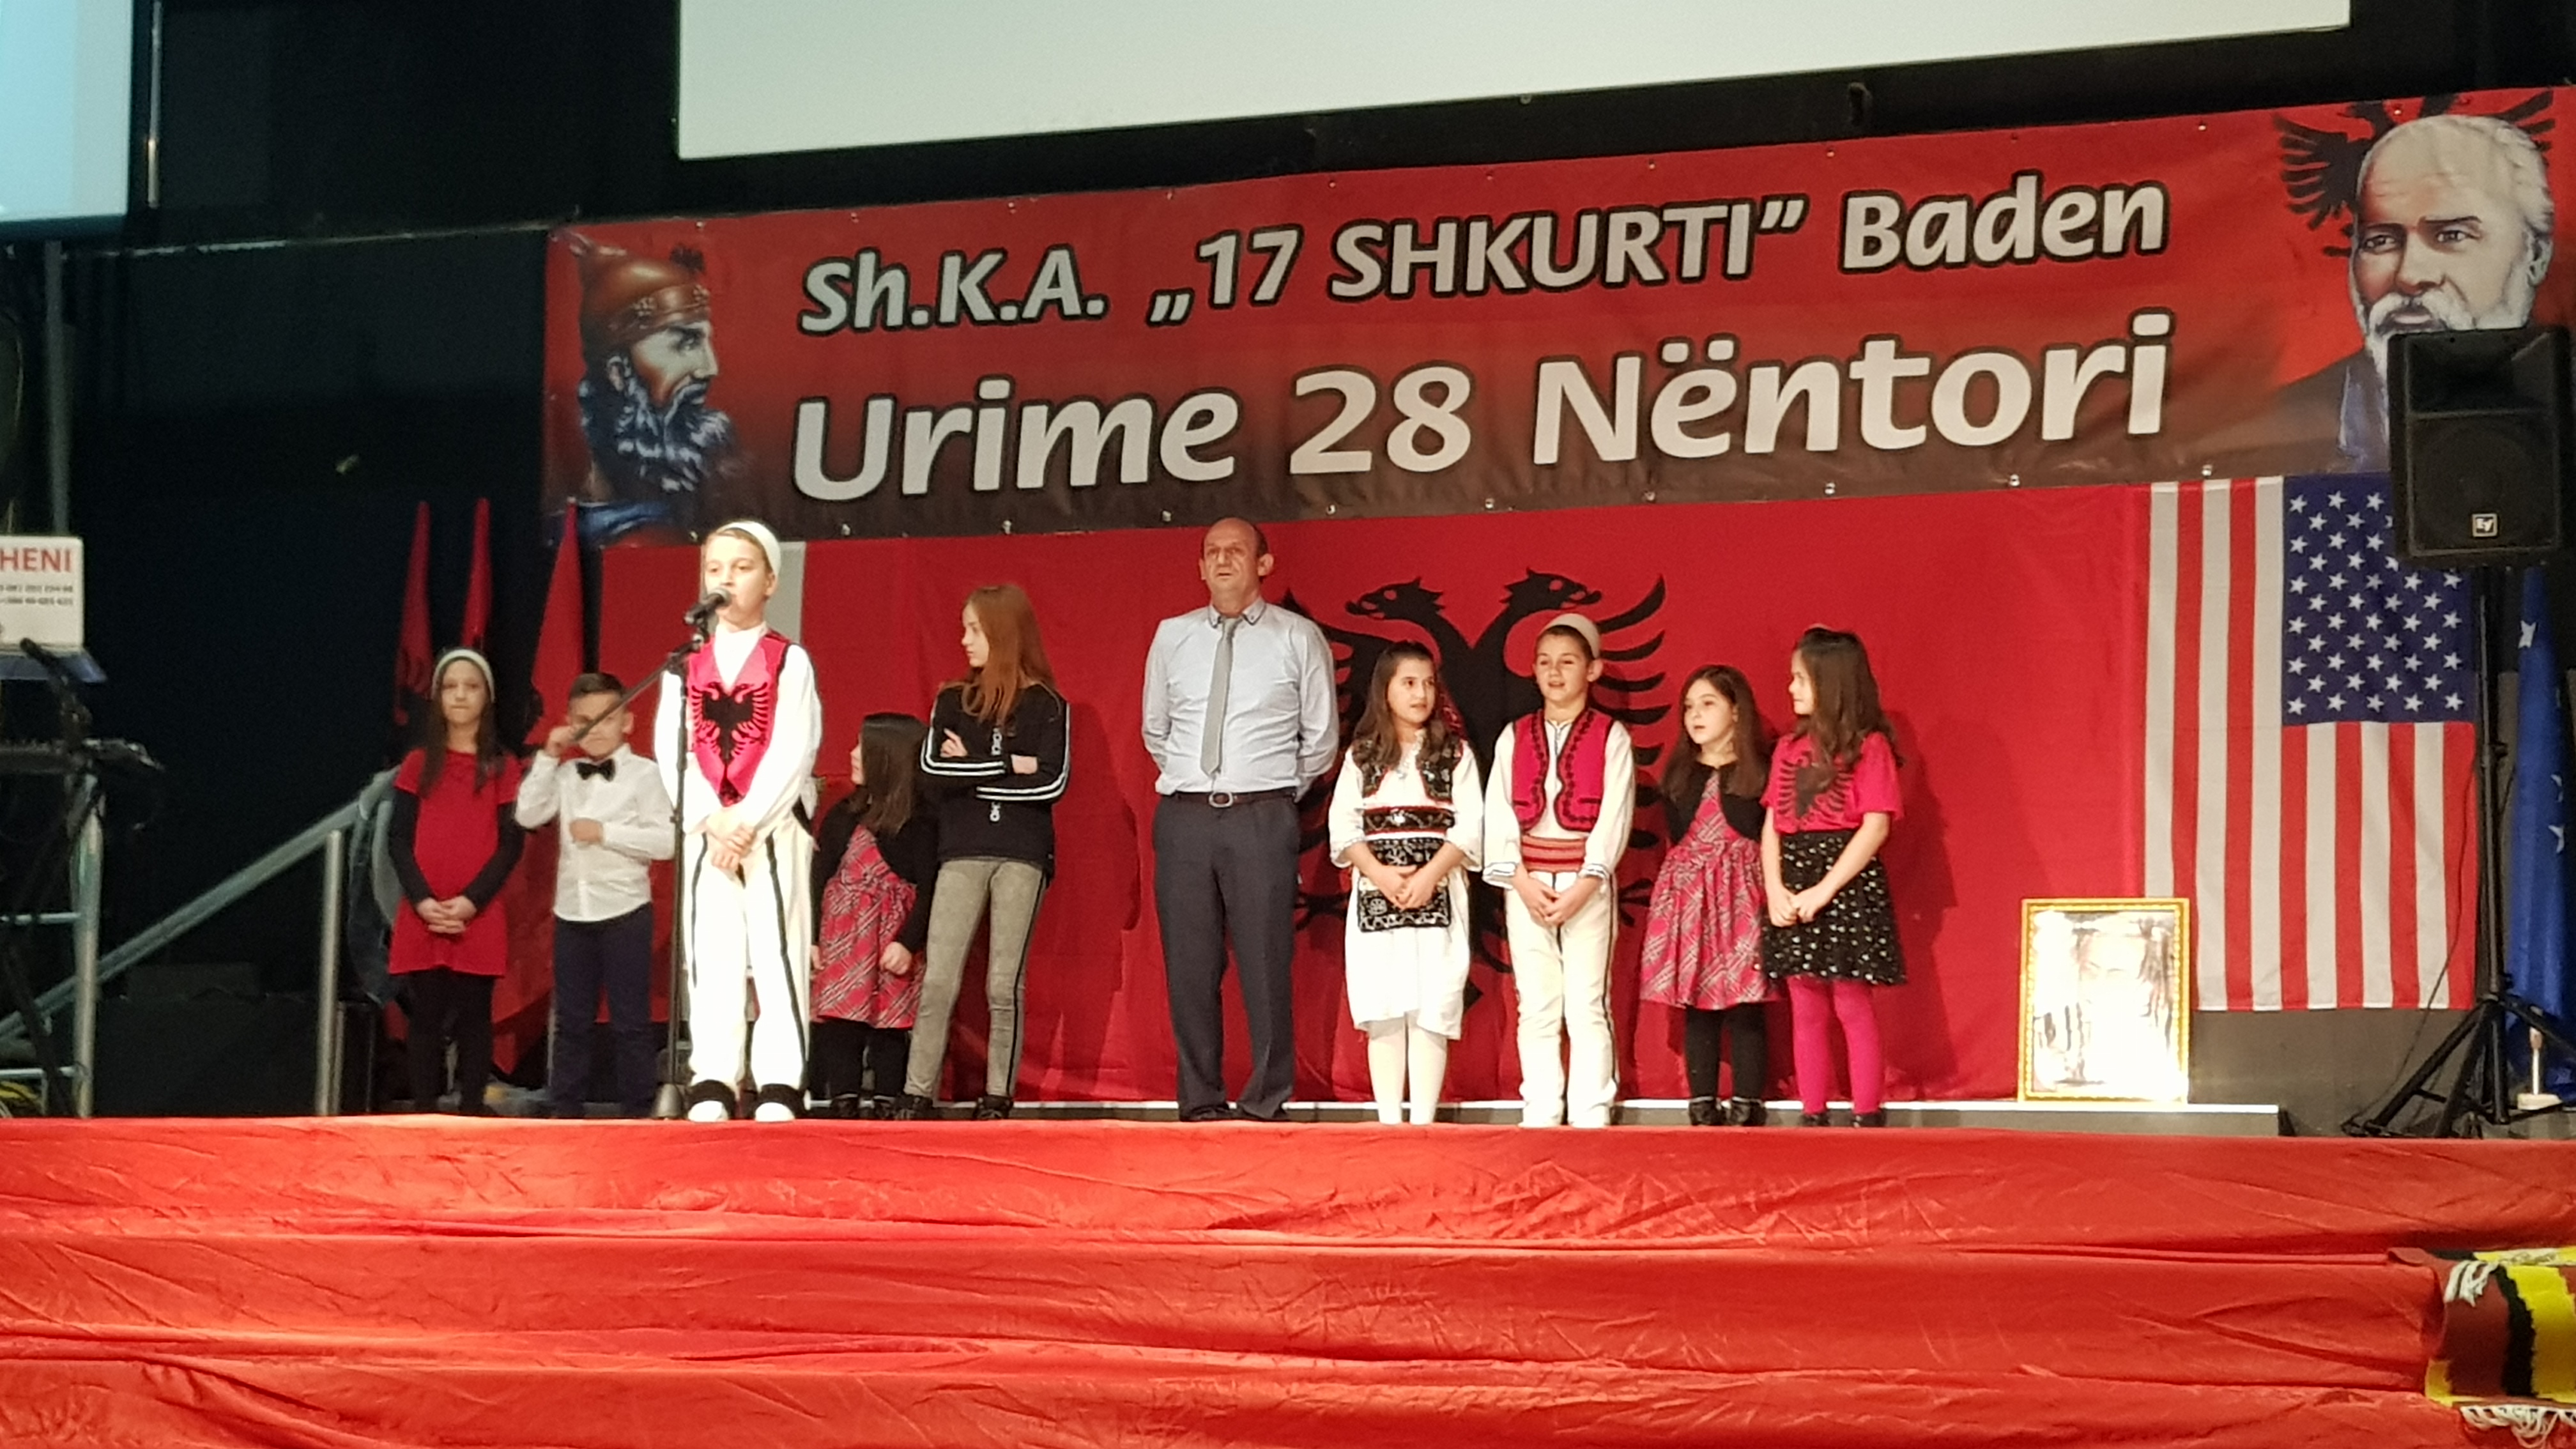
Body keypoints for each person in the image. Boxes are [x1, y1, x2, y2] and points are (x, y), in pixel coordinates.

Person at [2227, 111, 2556, 472]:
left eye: (2452, 235)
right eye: (2380, 241)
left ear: (2535, 255)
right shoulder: (2270, 432)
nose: (2410, 276)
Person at [1143, 518, 1338, 1123]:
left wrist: (1271, 791)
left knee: (1265, 960)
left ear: (1264, 564)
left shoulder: (1297, 637)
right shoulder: (1173, 636)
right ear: (1201, 567)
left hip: (1261, 816)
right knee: (1190, 965)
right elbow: (1156, 729)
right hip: (1186, 818)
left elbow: (1321, 740)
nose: (1223, 560)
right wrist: (1199, 784)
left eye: (1236, 551)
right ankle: (1200, 1097)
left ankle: (1265, 1098)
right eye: (1212, 552)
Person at [654, 519, 822, 1123]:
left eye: (742, 568)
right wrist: (710, 818)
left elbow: (794, 748)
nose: (726, 579)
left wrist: (746, 820)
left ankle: (780, 1079)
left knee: (778, 950)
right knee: (712, 951)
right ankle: (714, 1077)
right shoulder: (685, 666)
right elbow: (671, 748)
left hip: (769, 827)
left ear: (770, 581)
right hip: (710, 831)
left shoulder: (788, 661)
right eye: (715, 568)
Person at [898, 585, 1069, 1120]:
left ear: (1002, 632)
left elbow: (1051, 783)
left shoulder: (1048, 705)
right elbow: (934, 772)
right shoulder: (952, 700)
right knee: (939, 978)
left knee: (1003, 983)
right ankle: (917, 1092)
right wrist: (1010, 764)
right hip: (962, 850)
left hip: (1021, 854)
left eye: (974, 629)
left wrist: (971, 764)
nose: (965, 640)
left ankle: (998, 1096)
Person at [1483, 614, 1636, 1129]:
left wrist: (1587, 882)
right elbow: (1499, 811)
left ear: (1593, 670)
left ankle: (1592, 1110)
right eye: (1545, 662)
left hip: (1585, 882)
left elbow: (1615, 815)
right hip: (1527, 880)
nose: (1555, 672)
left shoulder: (1611, 737)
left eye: (1567, 662)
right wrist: (1519, 880)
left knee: (1587, 1001)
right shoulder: (1514, 735)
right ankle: (1541, 1110)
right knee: (1537, 1002)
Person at [1328, 644, 1483, 1125]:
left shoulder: (1453, 754)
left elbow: (1471, 825)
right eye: (1409, 683)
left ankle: (1424, 1121)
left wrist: (1429, 875)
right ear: (1386, 691)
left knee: (1432, 1001)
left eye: (1428, 683)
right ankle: (1390, 1121)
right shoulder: (1362, 757)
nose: (1421, 694)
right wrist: (1378, 873)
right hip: (1377, 894)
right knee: (1385, 1004)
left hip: (1438, 891)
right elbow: (1344, 827)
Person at [1760, 627, 1905, 1128]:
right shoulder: (1788, 747)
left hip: (1843, 880)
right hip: (1795, 873)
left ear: (1832, 683)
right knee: (1805, 1002)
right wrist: (1775, 887)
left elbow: (1876, 825)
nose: (1791, 688)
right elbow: (1773, 823)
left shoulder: (1869, 747)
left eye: (1801, 679)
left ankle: (1866, 1112)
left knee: (1850, 999)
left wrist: (1825, 890)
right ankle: (1813, 1112)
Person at [516, 671, 675, 1119]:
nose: (595, 729)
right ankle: (565, 1109)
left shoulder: (647, 775)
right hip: (573, 912)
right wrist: (548, 756)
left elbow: (666, 842)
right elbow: (527, 814)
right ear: (570, 723)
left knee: (630, 1020)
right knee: (571, 1020)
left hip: (626, 911)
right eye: (584, 721)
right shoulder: (566, 774)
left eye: (606, 718)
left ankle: (638, 1110)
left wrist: (606, 833)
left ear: (627, 721)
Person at [387, 648, 525, 1115]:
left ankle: (470, 1108)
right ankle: (425, 1109)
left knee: (474, 1015)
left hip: (476, 913)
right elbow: (399, 839)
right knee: (425, 1014)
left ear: (488, 697)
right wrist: (423, 900)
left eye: (471, 687)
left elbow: (510, 845)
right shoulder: (417, 764)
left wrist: (471, 902)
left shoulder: (502, 766)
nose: (461, 696)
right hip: (424, 911)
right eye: (450, 687)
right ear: (437, 698)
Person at [1639, 666, 1774, 1127]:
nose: (1695, 715)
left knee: (1746, 999)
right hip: (1692, 895)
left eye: (1708, 704)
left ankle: (1748, 1101)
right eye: (1689, 707)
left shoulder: (1761, 771)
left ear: (1736, 711)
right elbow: (1679, 836)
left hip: (1743, 895)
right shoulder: (1681, 774)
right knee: (1697, 997)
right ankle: (1702, 1101)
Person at [566, 236, 742, 546]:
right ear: (618, 373)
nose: (709, 368)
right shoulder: (615, 535)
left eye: (705, 342)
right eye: (686, 343)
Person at [810, 712, 939, 1119]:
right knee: (840, 1019)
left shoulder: (918, 823)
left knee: (890, 1020)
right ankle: (843, 1097)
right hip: (842, 937)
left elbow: (931, 888)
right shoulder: (842, 815)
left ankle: (887, 1097)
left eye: (862, 748)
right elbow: (819, 877)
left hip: (889, 937)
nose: (852, 754)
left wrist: (908, 942)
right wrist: (813, 938)